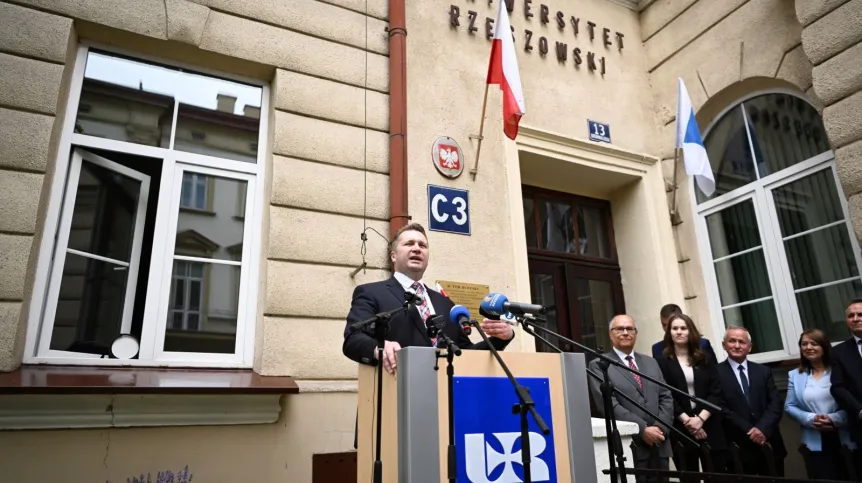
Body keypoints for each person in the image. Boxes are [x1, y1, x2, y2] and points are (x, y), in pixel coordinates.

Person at [342, 223, 515, 373]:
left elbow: (466, 352)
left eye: (422, 245)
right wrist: (378, 348)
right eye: (409, 243)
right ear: (393, 255)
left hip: (444, 398)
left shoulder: (446, 304)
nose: (417, 248)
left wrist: (501, 338)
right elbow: (353, 340)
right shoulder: (371, 293)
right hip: (392, 396)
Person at [588, 314, 674, 483]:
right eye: (620, 329)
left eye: (630, 329)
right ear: (610, 334)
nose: (625, 333)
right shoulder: (599, 365)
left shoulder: (651, 363)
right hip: (631, 446)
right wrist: (642, 430)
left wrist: (660, 428)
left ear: (636, 333)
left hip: (660, 445)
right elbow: (608, 405)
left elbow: (666, 397)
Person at [654, 314, 727, 481]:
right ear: (669, 332)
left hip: (710, 425)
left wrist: (700, 419)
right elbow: (666, 394)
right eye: (674, 328)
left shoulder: (704, 358)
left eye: (683, 328)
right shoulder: (661, 361)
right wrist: (689, 422)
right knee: (689, 478)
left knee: (716, 476)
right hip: (681, 428)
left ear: (690, 331)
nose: (679, 332)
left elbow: (716, 391)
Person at [785, 328, 857, 481]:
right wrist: (811, 418)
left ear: (824, 346)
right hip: (814, 440)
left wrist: (834, 419)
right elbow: (789, 406)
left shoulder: (841, 370)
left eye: (814, 343)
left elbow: (853, 400)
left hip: (846, 435)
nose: (809, 347)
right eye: (804, 344)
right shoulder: (795, 375)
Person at [716, 327, 786, 476]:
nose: (736, 345)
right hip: (737, 447)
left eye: (742, 342)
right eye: (732, 341)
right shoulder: (715, 373)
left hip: (768, 443)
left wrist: (761, 430)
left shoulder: (763, 371)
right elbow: (721, 407)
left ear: (749, 347)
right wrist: (750, 430)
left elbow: (775, 403)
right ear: (724, 345)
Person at [830, 299, 862, 477]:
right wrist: (859, 410)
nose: (856, 318)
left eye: (860, 314)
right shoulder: (839, 352)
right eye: (851, 315)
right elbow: (838, 387)